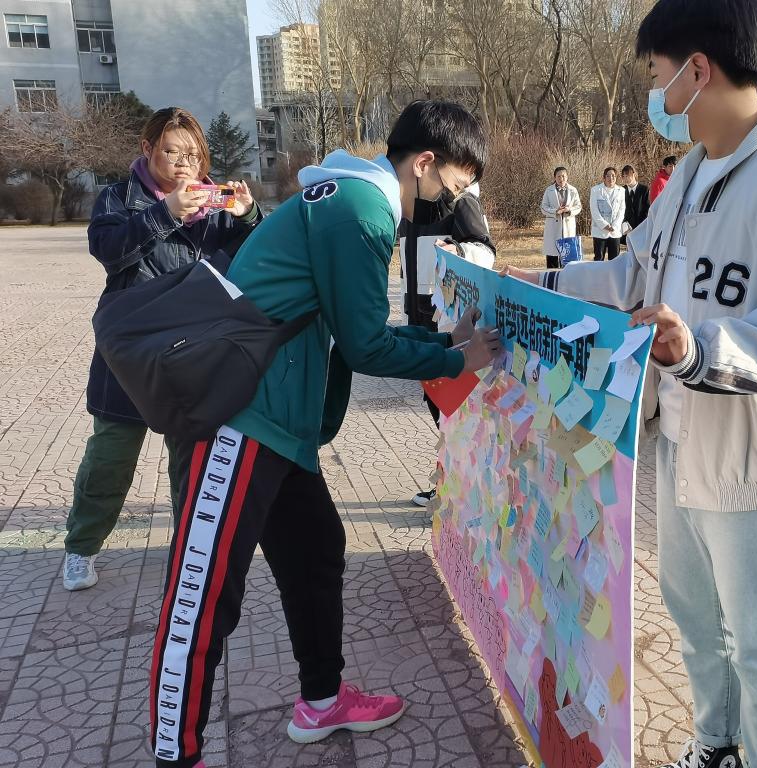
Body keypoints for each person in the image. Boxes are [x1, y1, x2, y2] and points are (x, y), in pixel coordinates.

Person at [503, 1, 757, 766]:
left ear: (698, 71)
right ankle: (715, 745)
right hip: (679, 441)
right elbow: (632, 274)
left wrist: (698, 349)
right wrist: (539, 281)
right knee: (694, 618)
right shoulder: (688, 175)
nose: (655, 93)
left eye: (656, 73)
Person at [148, 100, 502, 768]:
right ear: (424, 164)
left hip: (282, 422)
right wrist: (458, 360)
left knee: (316, 550)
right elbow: (366, 347)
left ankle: (321, 700)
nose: (452, 206)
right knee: (205, 588)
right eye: (453, 189)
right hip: (242, 416)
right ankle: (176, 752)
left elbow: (351, 322)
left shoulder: (349, 197)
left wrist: (444, 342)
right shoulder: (363, 213)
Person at [62, 107, 262, 592]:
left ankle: (189, 548)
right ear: (148, 148)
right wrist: (166, 212)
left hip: (193, 346)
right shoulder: (120, 197)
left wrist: (249, 216)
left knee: (192, 457)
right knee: (111, 452)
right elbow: (108, 250)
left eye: (192, 154)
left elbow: (258, 258)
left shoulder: (216, 203)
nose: (183, 163)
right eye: (171, 152)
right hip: (132, 345)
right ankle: (81, 546)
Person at [402, 181, 496, 507]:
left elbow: (486, 251)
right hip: (419, 322)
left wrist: (458, 250)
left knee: (454, 411)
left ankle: (459, 490)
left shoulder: (461, 201)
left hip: (448, 325)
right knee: (438, 406)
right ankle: (450, 482)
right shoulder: (409, 203)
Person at [541, 166, 583, 268]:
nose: (561, 179)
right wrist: (555, 211)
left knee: (568, 257)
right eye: (559, 176)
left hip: (568, 225)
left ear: (567, 177)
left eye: (563, 176)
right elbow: (543, 207)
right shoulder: (549, 190)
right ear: (555, 177)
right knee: (553, 256)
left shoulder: (573, 190)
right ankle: (552, 276)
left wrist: (569, 210)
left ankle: (568, 276)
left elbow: (578, 206)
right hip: (553, 227)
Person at [590, 166, 626, 260]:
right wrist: (604, 225)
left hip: (614, 231)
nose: (611, 178)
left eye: (613, 176)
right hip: (600, 231)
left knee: (615, 260)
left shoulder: (621, 191)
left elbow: (622, 210)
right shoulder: (595, 190)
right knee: (599, 259)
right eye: (608, 176)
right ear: (604, 177)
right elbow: (594, 210)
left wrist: (615, 225)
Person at [622, 164, 651, 234]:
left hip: (641, 228)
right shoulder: (621, 190)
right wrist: (624, 225)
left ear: (633, 174)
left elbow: (647, 209)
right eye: (624, 176)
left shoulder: (644, 189)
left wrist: (640, 226)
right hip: (626, 230)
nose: (625, 179)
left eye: (627, 176)